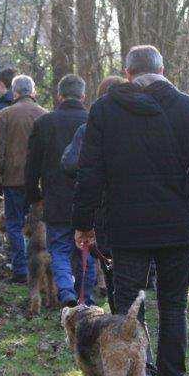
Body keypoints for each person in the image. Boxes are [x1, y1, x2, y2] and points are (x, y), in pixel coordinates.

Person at [73, 45, 189, 376]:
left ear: (127, 73)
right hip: (176, 224)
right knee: (173, 306)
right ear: (163, 69)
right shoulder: (187, 107)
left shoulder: (104, 110)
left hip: (126, 226)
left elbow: (89, 172)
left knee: (127, 308)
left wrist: (83, 224)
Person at [26, 74, 95, 307]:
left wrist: (34, 195)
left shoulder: (45, 123)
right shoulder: (94, 121)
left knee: (60, 249)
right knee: (86, 248)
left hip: (55, 199)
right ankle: (86, 296)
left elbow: (32, 165)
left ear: (59, 95)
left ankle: (65, 290)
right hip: (89, 197)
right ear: (83, 96)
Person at [61, 76, 126, 309]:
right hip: (132, 209)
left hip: (102, 207)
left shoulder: (88, 129)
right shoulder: (141, 125)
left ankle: (115, 311)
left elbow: (69, 163)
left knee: (106, 263)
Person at [0, 75, 47, 284]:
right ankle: (39, 269)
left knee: (14, 224)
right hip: (39, 181)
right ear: (33, 91)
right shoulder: (43, 114)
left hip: (12, 179)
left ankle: (21, 270)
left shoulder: (4, 115)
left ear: (14, 92)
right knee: (39, 225)